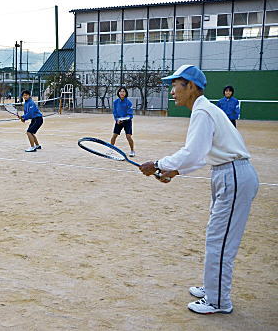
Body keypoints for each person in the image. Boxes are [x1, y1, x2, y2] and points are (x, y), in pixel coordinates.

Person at [139, 65, 259, 315]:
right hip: (226, 174)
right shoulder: (203, 110)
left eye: (176, 85)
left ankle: (218, 302)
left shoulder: (203, 111)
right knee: (216, 235)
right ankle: (212, 289)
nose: (172, 91)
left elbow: (193, 152)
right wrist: (174, 171)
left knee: (220, 240)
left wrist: (158, 164)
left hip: (233, 175)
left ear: (191, 87)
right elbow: (201, 156)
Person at [110, 86, 136, 157]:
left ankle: (132, 151)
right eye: (120, 91)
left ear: (126, 93)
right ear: (118, 93)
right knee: (114, 136)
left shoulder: (129, 102)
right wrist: (117, 120)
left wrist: (123, 119)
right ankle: (111, 149)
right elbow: (115, 112)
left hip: (127, 122)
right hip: (118, 121)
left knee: (128, 136)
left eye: (123, 91)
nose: (122, 93)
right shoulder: (115, 102)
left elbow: (130, 115)